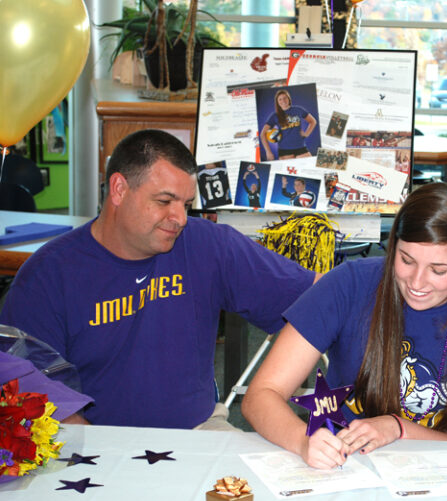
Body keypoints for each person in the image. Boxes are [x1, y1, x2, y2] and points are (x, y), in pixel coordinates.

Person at [0, 129, 317, 430]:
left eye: (186, 204)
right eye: (165, 201)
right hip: (94, 440)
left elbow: (320, 300)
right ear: (120, 189)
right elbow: (25, 388)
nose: (179, 218)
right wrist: (92, 453)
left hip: (199, 428)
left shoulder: (209, 243)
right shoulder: (47, 276)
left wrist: (270, 389)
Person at [242, 182, 447, 469]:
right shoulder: (349, 284)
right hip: (344, 466)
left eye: (438, 270)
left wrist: (398, 428)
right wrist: (302, 441)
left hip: (438, 470)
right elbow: (261, 395)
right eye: (405, 260)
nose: (417, 283)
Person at [260, 89, 317, 161]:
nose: (283, 101)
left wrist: (306, 134)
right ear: (277, 102)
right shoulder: (275, 116)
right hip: (285, 151)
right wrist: (268, 152)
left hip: (301, 147)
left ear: (289, 99)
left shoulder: (298, 110)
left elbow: (313, 121)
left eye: (285, 98)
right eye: (280, 99)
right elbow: (263, 134)